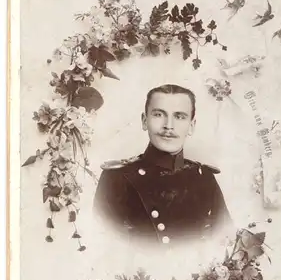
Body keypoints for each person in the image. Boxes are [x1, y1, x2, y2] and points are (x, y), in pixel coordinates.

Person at [93, 84, 232, 247]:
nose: (169, 126)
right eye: (159, 114)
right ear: (145, 121)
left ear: (191, 126)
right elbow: (102, 246)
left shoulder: (204, 178)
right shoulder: (117, 179)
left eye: (179, 116)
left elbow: (226, 242)